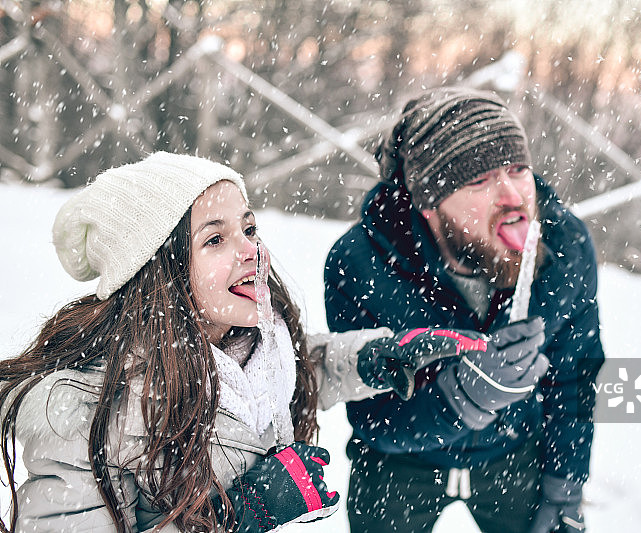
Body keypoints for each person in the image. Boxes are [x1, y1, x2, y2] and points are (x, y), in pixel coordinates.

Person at [0, 152, 486, 532]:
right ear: (156, 274)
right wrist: (236, 517)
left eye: (248, 228)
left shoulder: (250, 346)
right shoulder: (83, 412)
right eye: (215, 239)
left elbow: (298, 372)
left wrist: (372, 358)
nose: (251, 250)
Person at [324, 88, 605, 533]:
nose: (512, 195)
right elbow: (373, 419)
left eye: (517, 170)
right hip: (401, 464)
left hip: (513, 451)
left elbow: (574, 376)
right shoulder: (361, 264)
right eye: (480, 181)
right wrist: (459, 399)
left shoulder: (564, 246)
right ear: (429, 206)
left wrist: (565, 487)